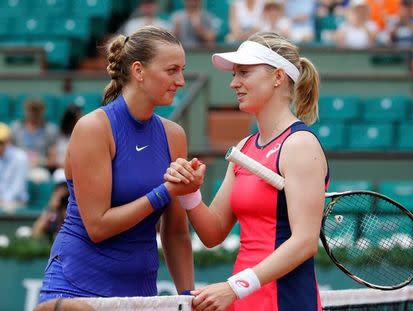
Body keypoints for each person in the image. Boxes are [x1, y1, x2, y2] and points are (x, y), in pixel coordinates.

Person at [165, 32, 329, 310]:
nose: (233, 83)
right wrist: (189, 192)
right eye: (234, 74)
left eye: (244, 73)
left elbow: (305, 242)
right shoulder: (243, 148)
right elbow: (213, 233)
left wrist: (235, 287)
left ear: (278, 77)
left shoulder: (300, 145)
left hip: (283, 300)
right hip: (243, 299)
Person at [36, 25, 198, 305]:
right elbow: (98, 226)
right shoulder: (93, 128)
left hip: (140, 292)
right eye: (172, 70)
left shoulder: (175, 135)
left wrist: (187, 297)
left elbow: (176, 232)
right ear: (138, 71)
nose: (181, 80)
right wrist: (165, 191)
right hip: (77, 290)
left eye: (182, 70)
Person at [32, 169, 69, 241]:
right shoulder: (51, 210)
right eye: (57, 193)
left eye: (64, 196)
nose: (61, 199)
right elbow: (36, 232)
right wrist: (51, 208)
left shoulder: (71, 211)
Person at [0, 122, 29, 212]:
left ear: (8, 141)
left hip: (17, 202)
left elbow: (17, 187)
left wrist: (4, 200)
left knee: (9, 208)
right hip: (3, 202)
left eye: (1, 142)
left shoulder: (20, 157)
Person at [47, 104, 82, 170]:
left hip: (77, 170)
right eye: (76, 119)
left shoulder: (84, 136)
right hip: (59, 170)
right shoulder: (57, 135)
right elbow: (51, 160)